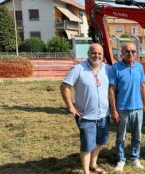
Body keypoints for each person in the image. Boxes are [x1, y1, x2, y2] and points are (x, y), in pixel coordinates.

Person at [60, 43, 110, 174]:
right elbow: (65, 86)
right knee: (87, 144)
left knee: (100, 141)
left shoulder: (107, 69)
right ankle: (86, 171)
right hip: (86, 115)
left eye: (99, 53)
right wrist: (71, 106)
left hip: (104, 114)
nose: (96, 55)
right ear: (88, 54)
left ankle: (93, 164)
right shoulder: (78, 69)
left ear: (103, 55)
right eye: (93, 53)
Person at [109, 42, 145, 171]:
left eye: (133, 51)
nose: (130, 54)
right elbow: (111, 90)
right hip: (122, 109)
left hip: (137, 108)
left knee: (137, 136)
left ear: (136, 53)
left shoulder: (139, 67)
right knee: (121, 136)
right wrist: (113, 110)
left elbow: (143, 87)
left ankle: (135, 158)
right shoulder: (115, 68)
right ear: (122, 53)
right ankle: (121, 159)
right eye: (127, 51)